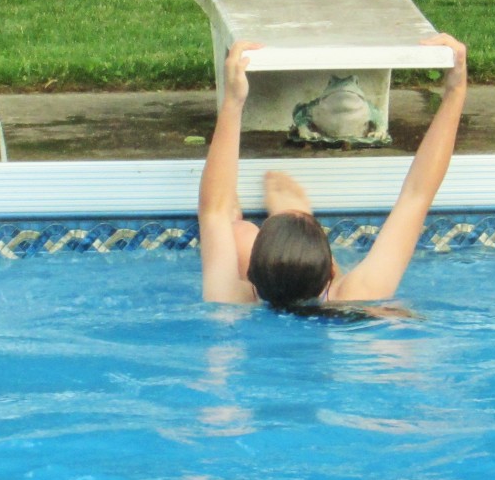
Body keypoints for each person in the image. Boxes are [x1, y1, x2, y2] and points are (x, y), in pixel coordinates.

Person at [198, 33, 469, 310]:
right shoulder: (360, 294)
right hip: (345, 314)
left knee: (238, 232)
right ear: (330, 273)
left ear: (250, 275)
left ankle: (271, 221)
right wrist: (456, 91)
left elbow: (213, 211)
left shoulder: (227, 299)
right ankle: (290, 212)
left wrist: (233, 101)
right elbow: (417, 194)